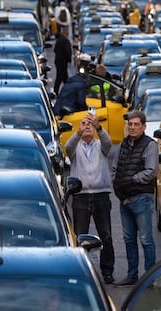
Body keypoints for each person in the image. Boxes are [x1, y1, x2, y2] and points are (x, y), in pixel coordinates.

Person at [65, 113, 115, 284]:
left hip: (101, 194)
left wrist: (99, 126)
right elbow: (67, 147)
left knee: (106, 234)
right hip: (81, 196)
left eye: (90, 125)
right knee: (80, 235)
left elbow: (108, 142)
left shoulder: (102, 145)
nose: (87, 127)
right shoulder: (75, 148)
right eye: (84, 124)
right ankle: (80, 269)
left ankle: (107, 271)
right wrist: (77, 133)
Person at [112, 110, 159, 287]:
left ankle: (150, 277)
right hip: (125, 200)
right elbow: (115, 168)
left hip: (141, 199)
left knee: (146, 240)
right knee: (129, 239)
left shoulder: (150, 145)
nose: (132, 127)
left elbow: (152, 171)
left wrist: (131, 180)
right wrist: (116, 182)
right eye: (130, 124)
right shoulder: (124, 144)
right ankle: (132, 275)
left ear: (144, 126)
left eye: (136, 124)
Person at [53, 27, 72, 95]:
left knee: (64, 77)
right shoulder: (65, 41)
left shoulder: (59, 40)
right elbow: (67, 51)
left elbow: (55, 50)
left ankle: (68, 91)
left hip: (58, 61)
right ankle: (56, 91)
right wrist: (69, 59)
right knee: (60, 77)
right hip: (63, 61)